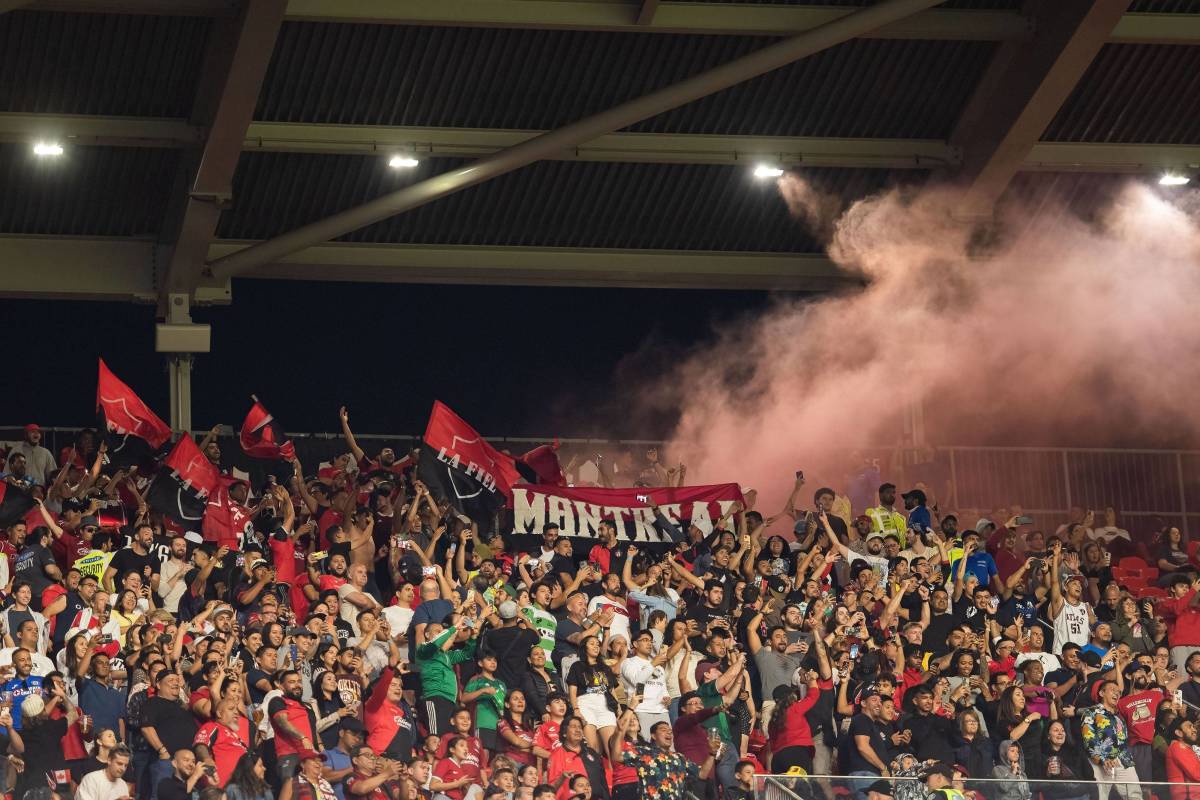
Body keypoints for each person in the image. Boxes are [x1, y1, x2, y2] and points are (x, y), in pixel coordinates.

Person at [1082, 680, 1143, 800]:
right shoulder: (1091, 712)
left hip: (1123, 760)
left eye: (1119, 692)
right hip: (1101, 762)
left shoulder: (1119, 717)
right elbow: (1088, 738)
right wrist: (1101, 759)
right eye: (1112, 690)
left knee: (1135, 796)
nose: (1116, 694)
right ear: (1101, 693)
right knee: (1101, 796)